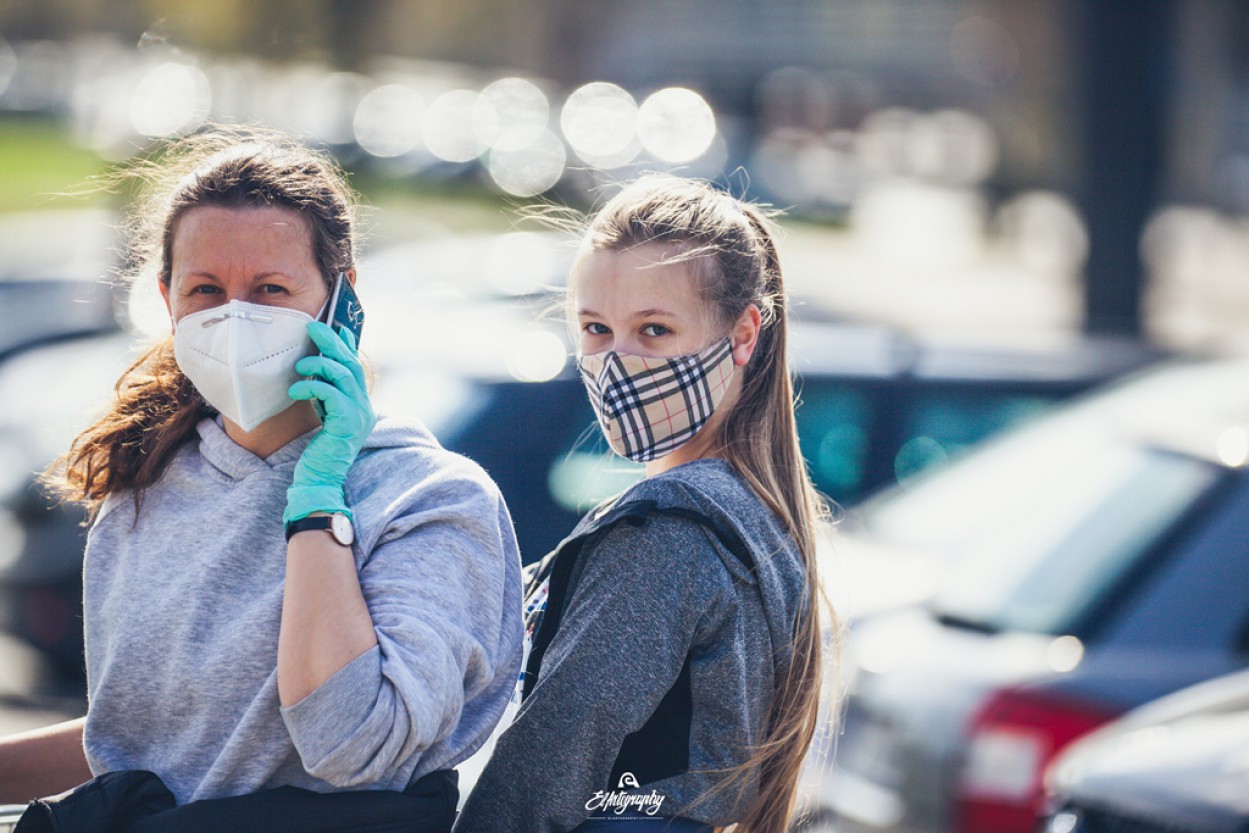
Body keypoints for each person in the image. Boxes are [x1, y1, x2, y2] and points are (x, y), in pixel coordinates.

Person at [0, 127, 522, 833]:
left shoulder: (429, 499)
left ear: (343, 299)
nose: (236, 317)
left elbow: (353, 746)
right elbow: (149, 746)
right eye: (206, 290)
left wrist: (318, 497)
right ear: (166, 299)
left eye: (270, 289)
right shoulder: (144, 489)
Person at [453, 175, 833, 833]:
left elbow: (539, 775)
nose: (616, 362)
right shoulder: (754, 515)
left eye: (654, 329)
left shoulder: (666, 532)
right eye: (595, 328)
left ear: (744, 334)